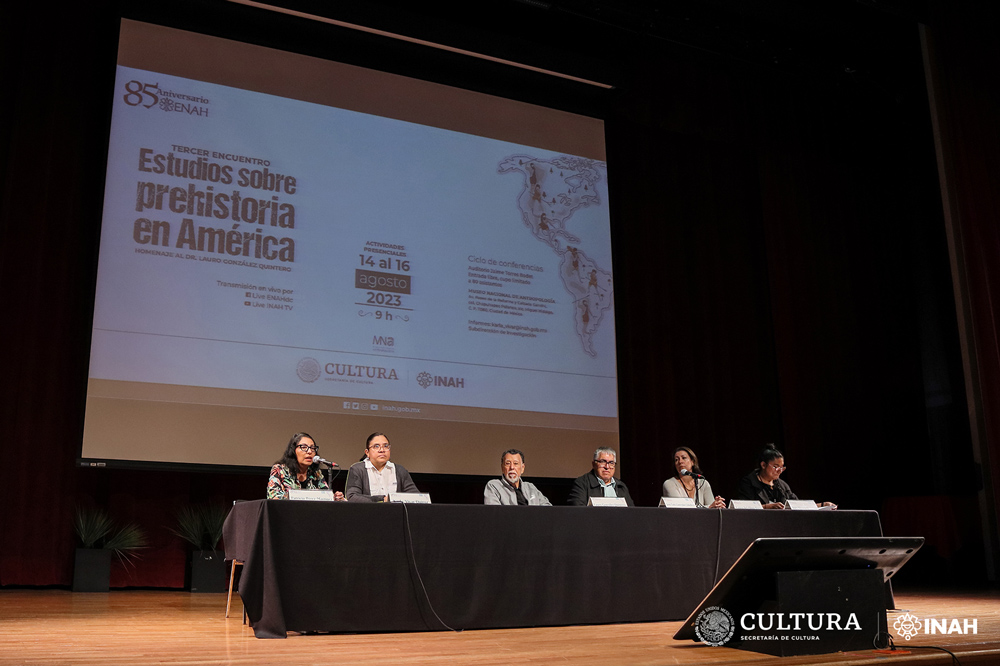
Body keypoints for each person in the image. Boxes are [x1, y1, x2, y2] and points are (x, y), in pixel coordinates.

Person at [736, 444, 836, 509]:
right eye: (775, 467)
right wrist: (767, 507)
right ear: (763, 465)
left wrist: (822, 505)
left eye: (782, 467)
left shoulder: (782, 485)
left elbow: (798, 506)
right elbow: (742, 509)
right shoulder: (749, 482)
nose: (779, 471)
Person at [266, 432, 344, 500]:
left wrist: (334, 497)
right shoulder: (279, 470)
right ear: (293, 451)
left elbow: (325, 496)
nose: (309, 451)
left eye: (312, 448)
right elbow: (273, 497)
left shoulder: (316, 473)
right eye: (304, 447)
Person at [345, 432, 419, 502]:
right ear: (367, 452)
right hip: (368, 513)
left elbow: (415, 496)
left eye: (386, 446)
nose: (382, 450)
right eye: (376, 446)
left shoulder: (399, 470)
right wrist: (383, 499)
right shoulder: (357, 469)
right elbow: (352, 497)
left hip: (395, 514)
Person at [567, 447, 634, 506]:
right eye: (602, 462)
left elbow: (632, 513)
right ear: (594, 464)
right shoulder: (582, 483)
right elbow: (577, 511)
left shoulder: (621, 486)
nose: (607, 467)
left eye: (611, 463)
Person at [484, 449, 552, 505]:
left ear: (522, 468)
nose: (512, 467)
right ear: (502, 468)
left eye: (516, 463)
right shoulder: (494, 486)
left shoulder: (530, 487)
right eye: (507, 463)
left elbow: (548, 509)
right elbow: (493, 513)